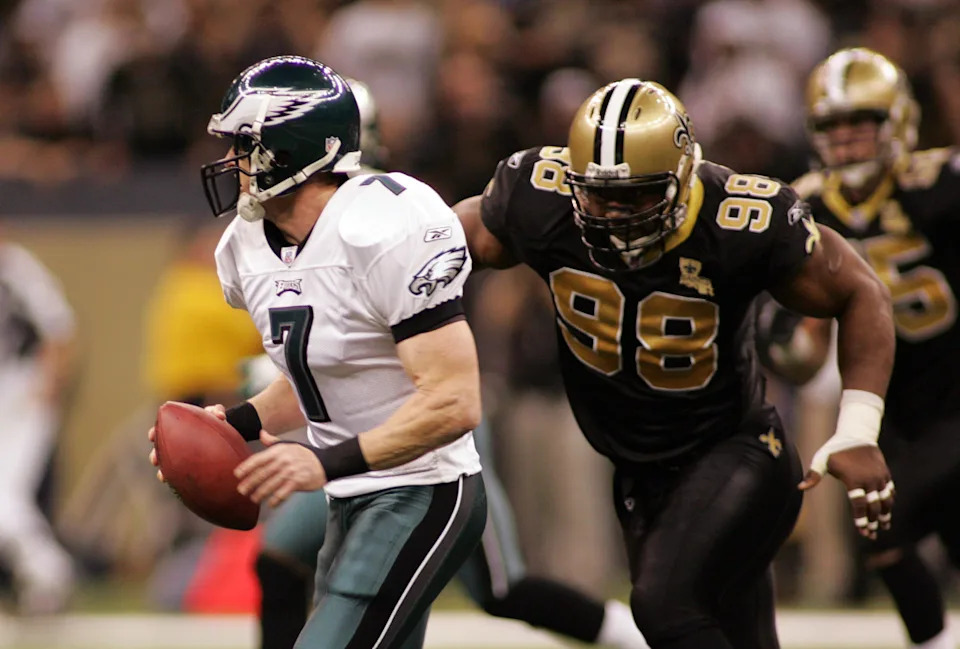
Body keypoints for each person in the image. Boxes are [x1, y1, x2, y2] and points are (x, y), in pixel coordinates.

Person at [453, 78, 896, 649]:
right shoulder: (537, 198)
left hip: (737, 450)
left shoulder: (742, 220)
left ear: (684, 175)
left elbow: (860, 292)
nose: (613, 213)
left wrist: (859, 428)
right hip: (639, 467)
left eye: (635, 195)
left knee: (665, 607)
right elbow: (439, 246)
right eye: (596, 194)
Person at [250, 80, 649, 649]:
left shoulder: (390, 219)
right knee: (279, 559)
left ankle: (622, 634)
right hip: (344, 448)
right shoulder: (282, 232)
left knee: (499, 588)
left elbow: (435, 370)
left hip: (423, 435)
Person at [148, 55, 486, 649]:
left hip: (424, 490)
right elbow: (317, 373)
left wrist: (322, 462)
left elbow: (455, 402)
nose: (232, 164)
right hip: (349, 499)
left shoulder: (386, 223)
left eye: (245, 146)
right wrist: (236, 422)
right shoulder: (245, 250)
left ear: (293, 147)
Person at [790, 47, 960, 649]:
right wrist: (793, 341)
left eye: (861, 124)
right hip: (887, 401)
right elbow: (795, 341)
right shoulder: (801, 206)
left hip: (954, 387)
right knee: (882, 528)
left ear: (898, 123)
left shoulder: (940, 184)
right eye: (833, 126)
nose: (847, 140)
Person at [0, 235, 78, 614]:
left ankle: (51, 576)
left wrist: (49, 383)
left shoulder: (17, 268)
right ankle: (43, 577)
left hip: (23, 395)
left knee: (6, 501)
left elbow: (58, 328)